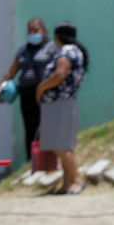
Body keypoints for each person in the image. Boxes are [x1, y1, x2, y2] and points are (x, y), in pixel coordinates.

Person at [36, 22, 88, 195]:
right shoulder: (76, 51)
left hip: (59, 103)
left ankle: (77, 180)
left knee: (61, 145)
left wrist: (41, 88)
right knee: (64, 145)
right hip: (65, 103)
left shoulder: (66, 52)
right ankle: (67, 183)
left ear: (58, 37)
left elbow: (59, 75)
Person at [0, 18, 57, 161]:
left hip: (45, 93)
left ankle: (48, 160)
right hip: (26, 93)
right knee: (30, 127)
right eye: (30, 31)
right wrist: (0, 88)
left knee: (45, 127)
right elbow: (12, 71)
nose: (33, 33)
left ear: (44, 31)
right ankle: (32, 161)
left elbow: (57, 71)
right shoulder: (23, 50)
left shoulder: (51, 48)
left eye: (36, 30)